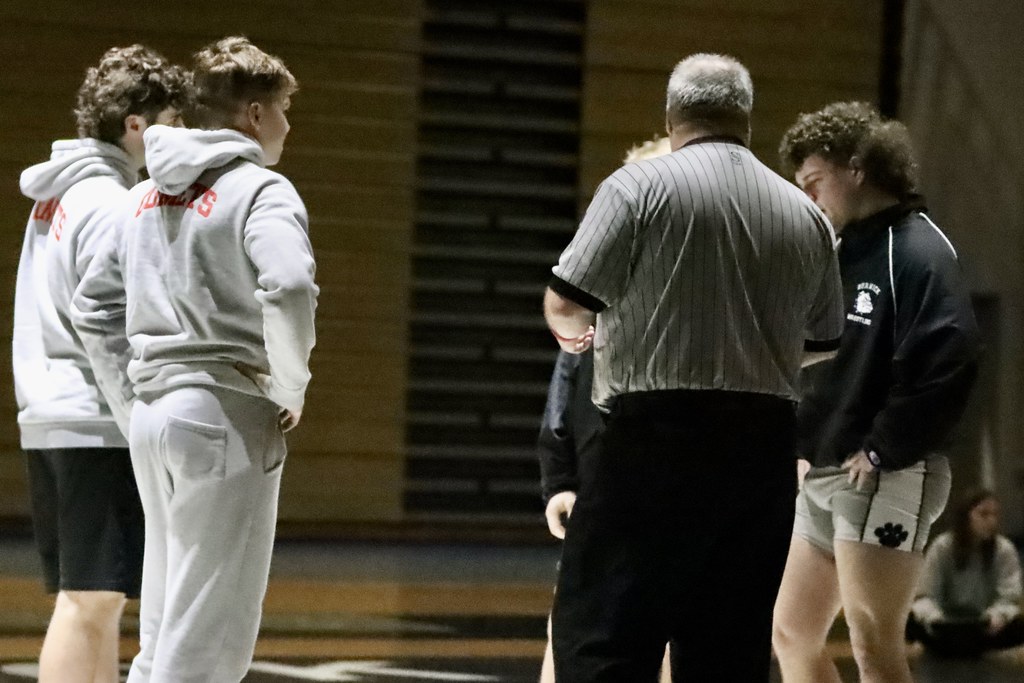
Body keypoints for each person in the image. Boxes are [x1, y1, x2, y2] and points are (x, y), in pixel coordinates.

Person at [543, 53, 845, 681]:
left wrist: (580, 337)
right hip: (759, 455)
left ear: (672, 115)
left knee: (606, 642)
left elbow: (568, 300)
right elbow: (824, 340)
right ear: (747, 119)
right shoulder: (805, 215)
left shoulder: (636, 188)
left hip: (649, 444)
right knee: (728, 652)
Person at [72, 36, 318, 683]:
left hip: (154, 416)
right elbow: (290, 286)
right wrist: (289, 385)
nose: (288, 127)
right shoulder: (261, 190)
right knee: (207, 638)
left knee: (165, 625)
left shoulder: (143, 195)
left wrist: (129, 404)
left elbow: (91, 305)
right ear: (256, 115)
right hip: (225, 411)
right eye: (284, 111)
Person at [771, 101, 981, 683]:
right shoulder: (842, 249)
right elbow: (822, 365)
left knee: (874, 647)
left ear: (857, 167)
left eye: (814, 182)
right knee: (791, 630)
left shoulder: (916, 250)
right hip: (827, 470)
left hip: (885, 473)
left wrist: (883, 448)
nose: (809, 199)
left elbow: (953, 358)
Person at [13, 45, 189, 683]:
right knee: (91, 600)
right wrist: (136, 414)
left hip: (52, 414)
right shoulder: (112, 203)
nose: (182, 134)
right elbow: (103, 318)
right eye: (172, 118)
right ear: (137, 124)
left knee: (91, 600)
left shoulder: (57, 195)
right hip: (94, 420)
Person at [538, 138, 673, 683]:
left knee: (665, 639)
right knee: (567, 636)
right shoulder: (598, 284)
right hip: (600, 492)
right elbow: (561, 395)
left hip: (673, 498)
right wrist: (560, 481)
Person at [908, 489, 1024, 657]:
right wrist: (933, 618)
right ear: (966, 517)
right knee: (906, 621)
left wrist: (998, 616)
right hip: (944, 626)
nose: (991, 521)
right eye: (984, 514)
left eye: (995, 515)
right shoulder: (943, 546)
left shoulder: (1004, 549)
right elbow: (924, 595)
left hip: (985, 627)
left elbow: (1010, 596)